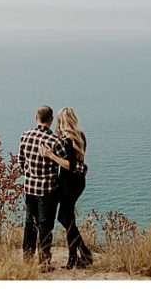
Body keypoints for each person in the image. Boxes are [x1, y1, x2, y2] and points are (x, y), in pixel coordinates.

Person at [40, 107, 94, 269]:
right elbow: (79, 162)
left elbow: (69, 165)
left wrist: (51, 155)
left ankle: (77, 257)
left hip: (68, 184)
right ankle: (82, 255)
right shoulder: (80, 136)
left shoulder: (67, 140)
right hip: (78, 182)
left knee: (66, 219)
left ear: (62, 121)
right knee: (66, 218)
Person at [18, 105, 68, 272]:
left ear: (36, 117)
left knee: (29, 224)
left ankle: (26, 260)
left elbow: (21, 161)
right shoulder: (55, 142)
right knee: (45, 226)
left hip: (30, 188)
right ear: (51, 120)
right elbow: (67, 163)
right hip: (47, 190)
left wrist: (29, 174)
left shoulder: (25, 136)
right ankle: (44, 263)